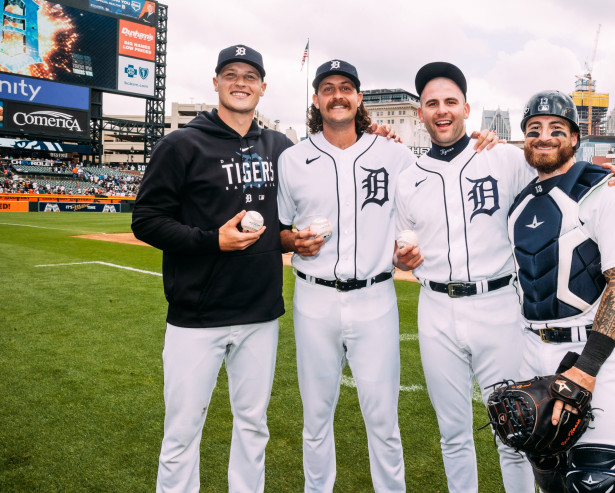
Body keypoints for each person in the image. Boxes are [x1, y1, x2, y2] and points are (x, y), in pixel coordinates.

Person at [393, 63, 615, 493]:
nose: (442, 110)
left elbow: (564, 172)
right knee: (456, 431)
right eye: (432, 103)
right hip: (435, 306)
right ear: (420, 113)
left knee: (520, 429)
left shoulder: (505, 158)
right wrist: (406, 258)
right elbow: (401, 243)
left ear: (467, 108)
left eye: (451, 101)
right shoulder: (406, 177)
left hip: (500, 306)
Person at [132, 44, 293, 493]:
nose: (240, 83)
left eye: (250, 76)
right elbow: (146, 220)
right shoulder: (181, 143)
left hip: (260, 314)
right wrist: (211, 241)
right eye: (231, 74)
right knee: (182, 432)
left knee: (253, 427)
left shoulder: (281, 146)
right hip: (196, 315)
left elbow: (297, 210)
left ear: (263, 87)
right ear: (216, 82)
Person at [277, 59, 415, 493]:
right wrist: (293, 242)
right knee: (316, 416)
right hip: (314, 297)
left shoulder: (394, 154)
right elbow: (280, 228)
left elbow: (417, 220)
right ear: (316, 99)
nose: (337, 95)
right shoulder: (293, 158)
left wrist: (408, 250)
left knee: (383, 418)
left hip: (375, 298)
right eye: (328, 88)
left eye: (346, 87)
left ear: (359, 97)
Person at [507, 90, 615, 493]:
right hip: (533, 354)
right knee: (548, 477)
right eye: (534, 129)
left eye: (557, 128)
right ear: (524, 140)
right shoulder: (519, 202)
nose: (544, 136)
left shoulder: (607, 190)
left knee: (596, 483)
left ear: (574, 138)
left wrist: (586, 370)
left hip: (593, 352)